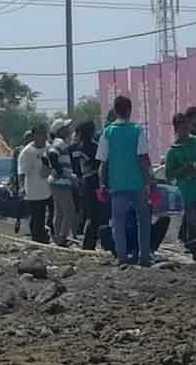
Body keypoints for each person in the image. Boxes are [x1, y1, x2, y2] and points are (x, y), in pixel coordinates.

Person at [98, 96, 154, 267]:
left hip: (117, 184)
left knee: (118, 222)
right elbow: (143, 159)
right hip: (137, 183)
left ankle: (121, 257)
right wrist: (149, 182)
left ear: (115, 111)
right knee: (143, 220)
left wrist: (102, 184)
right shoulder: (137, 130)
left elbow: (103, 162)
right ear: (129, 110)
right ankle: (144, 256)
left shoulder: (107, 132)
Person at [166, 113, 196, 271]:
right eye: (181, 126)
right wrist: (184, 169)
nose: (185, 129)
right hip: (189, 194)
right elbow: (169, 175)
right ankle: (193, 252)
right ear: (176, 129)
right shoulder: (173, 152)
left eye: (186, 125)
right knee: (193, 224)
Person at [18, 124, 53, 244]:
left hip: (49, 189)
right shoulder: (27, 152)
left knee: (52, 214)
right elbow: (22, 172)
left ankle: (49, 235)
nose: (43, 136)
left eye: (44, 133)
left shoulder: (49, 148)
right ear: (34, 136)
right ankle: (37, 240)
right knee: (37, 217)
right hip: (33, 191)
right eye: (40, 134)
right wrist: (21, 187)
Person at [46, 118, 78, 247]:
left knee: (59, 212)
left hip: (56, 182)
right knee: (70, 212)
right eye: (66, 127)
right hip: (61, 182)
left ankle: (58, 238)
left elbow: (47, 157)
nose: (69, 129)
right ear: (60, 131)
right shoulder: (60, 142)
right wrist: (61, 172)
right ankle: (64, 238)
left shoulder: (56, 142)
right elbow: (52, 155)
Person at [74, 121, 104, 250]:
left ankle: (89, 243)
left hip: (84, 181)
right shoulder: (94, 147)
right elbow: (99, 165)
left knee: (89, 212)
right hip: (95, 181)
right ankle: (90, 243)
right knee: (96, 213)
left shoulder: (78, 148)